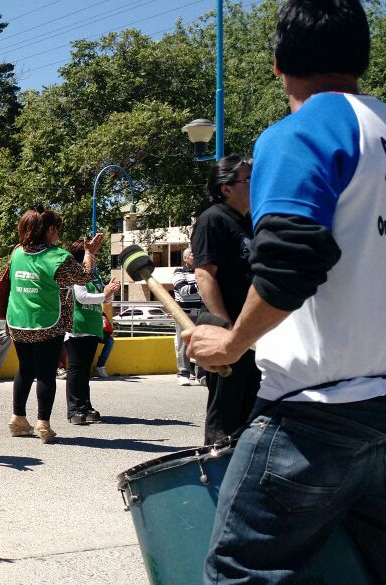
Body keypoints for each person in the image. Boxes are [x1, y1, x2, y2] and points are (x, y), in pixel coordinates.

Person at [187, 1, 386, 582]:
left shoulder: (301, 133)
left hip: (313, 416)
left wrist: (230, 344)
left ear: (277, 64)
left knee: (239, 573)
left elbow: (290, 263)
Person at [5, 210, 100, 442]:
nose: (58, 234)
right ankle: (44, 425)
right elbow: (84, 277)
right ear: (48, 230)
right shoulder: (57, 257)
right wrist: (88, 253)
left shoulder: (17, 252)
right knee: (46, 374)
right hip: (47, 322)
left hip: (18, 322)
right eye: (56, 229)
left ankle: (18, 419)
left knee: (25, 370)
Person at [190, 155, 262, 444]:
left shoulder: (251, 221)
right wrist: (225, 327)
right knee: (226, 413)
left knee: (253, 409)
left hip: (254, 330)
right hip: (230, 328)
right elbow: (204, 275)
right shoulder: (213, 219)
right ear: (226, 188)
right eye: (247, 179)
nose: (254, 184)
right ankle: (218, 470)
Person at [64, 239, 119, 425]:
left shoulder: (93, 276)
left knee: (85, 371)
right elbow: (82, 297)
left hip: (92, 327)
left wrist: (110, 292)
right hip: (76, 328)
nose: (95, 259)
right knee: (76, 370)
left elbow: (104, 301)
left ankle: (85, 406)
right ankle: (74, 409)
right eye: (93, 254)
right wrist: (105, 294)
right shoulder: (76, 274)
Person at [171, 248, 202, 386]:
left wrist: (197, 287)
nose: (195, 257)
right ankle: (183, 373)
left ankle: (201, 374)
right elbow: (183, 291)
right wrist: (202, 285)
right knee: (183, 344)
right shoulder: (179, 272)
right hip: (184, 314)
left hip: (201, 313)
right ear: (185, 259)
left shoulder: (201, 271)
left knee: (201, 344)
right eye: (192, 255)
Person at [94, 313, 114, 378]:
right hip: (87, 333)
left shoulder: (99, 310)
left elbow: (108, 327)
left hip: (98, 333)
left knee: (110, 341)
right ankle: (84, 367)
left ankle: (100, 365)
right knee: (91, 340)